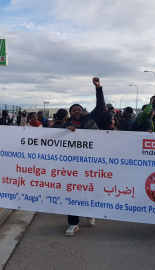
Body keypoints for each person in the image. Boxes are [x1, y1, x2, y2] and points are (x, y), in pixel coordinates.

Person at [58, 77, 105, 236]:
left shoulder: (91, 120)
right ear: (70, 114)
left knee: (89, 190)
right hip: (70, 167)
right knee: (71, 192)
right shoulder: (64, 127)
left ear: (82, 111)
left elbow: (100, 106)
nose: (77, 111)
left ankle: (90, 211)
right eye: (73, 110)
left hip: (90, 164)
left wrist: (98, 89)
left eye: (79, 109)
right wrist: (66, 132)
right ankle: (73, 223)